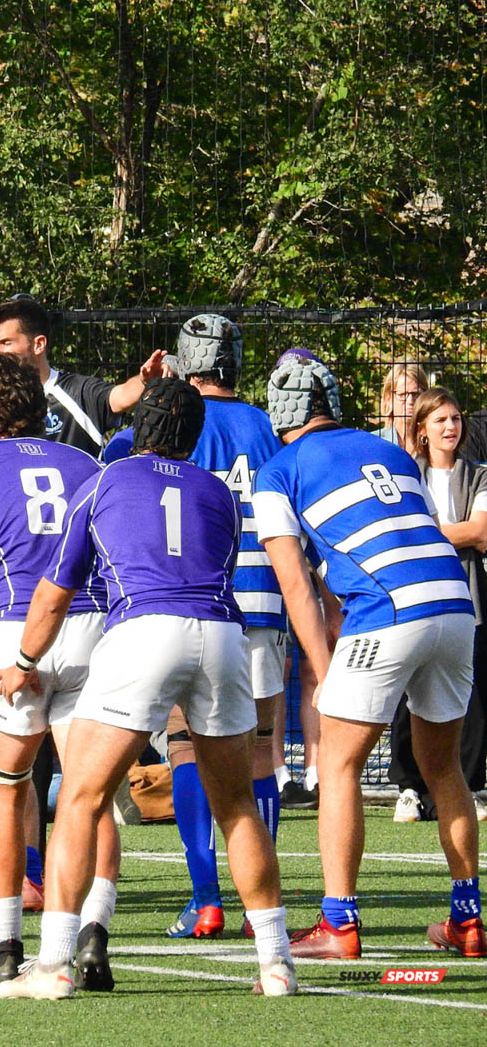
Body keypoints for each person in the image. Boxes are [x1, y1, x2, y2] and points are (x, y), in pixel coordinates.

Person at [0, 379, 294, 1000]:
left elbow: (54, 593)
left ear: (141, 427)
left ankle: (51, 965)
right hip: (223, 634)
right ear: (193, 433)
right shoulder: (217, 490)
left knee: (80, 797)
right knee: (236, 803)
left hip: (145, 630)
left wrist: (24, 660)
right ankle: (276, 963)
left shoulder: (103, 480)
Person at [254, 355, 482, 959]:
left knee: (338, 765)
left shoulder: (278, 471)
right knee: (444, 768)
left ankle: (338, 924)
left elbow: (297, 586)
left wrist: (325, 673)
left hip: (390, 611)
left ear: (280, 411)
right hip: (455, 605)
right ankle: (468, 919)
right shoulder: (395, 454)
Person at [0, 352, 116, 986]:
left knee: (5, 792)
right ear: (41, 406)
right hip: (89, 628)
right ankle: (91, 938)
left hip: (12, 631)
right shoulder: (87, 464)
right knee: (91, 798)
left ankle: (7, 949)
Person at [159, 315, 291, 940]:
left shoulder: (179, 417)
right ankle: (253, 904)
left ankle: (205, 897)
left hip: (196, 598)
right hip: (265, 598)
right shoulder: (267, 424)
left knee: (186, 743)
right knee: (260, 748)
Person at [387, 388, 487, 823]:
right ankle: (410, 787)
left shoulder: (479, 475)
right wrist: (455, 531)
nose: (450, 426)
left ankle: (470, 786)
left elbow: (482, 533)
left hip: (469, 600)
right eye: (440, 420)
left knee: (472, 696)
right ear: (422, 431)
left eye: (455, 418)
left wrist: (427, 533)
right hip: (413, 599)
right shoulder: (408, 474)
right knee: (407, 695)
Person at [0, 295, 165, 454]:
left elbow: (122, 395)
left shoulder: (78, 392)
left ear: (38, 345)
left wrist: (144, 381)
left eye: (5, 343)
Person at [377, 363, 428, 447]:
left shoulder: (435, 442)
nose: (410, 401)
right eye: (402, 395)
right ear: (389, 399)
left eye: (416, 394)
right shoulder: (375, 442)